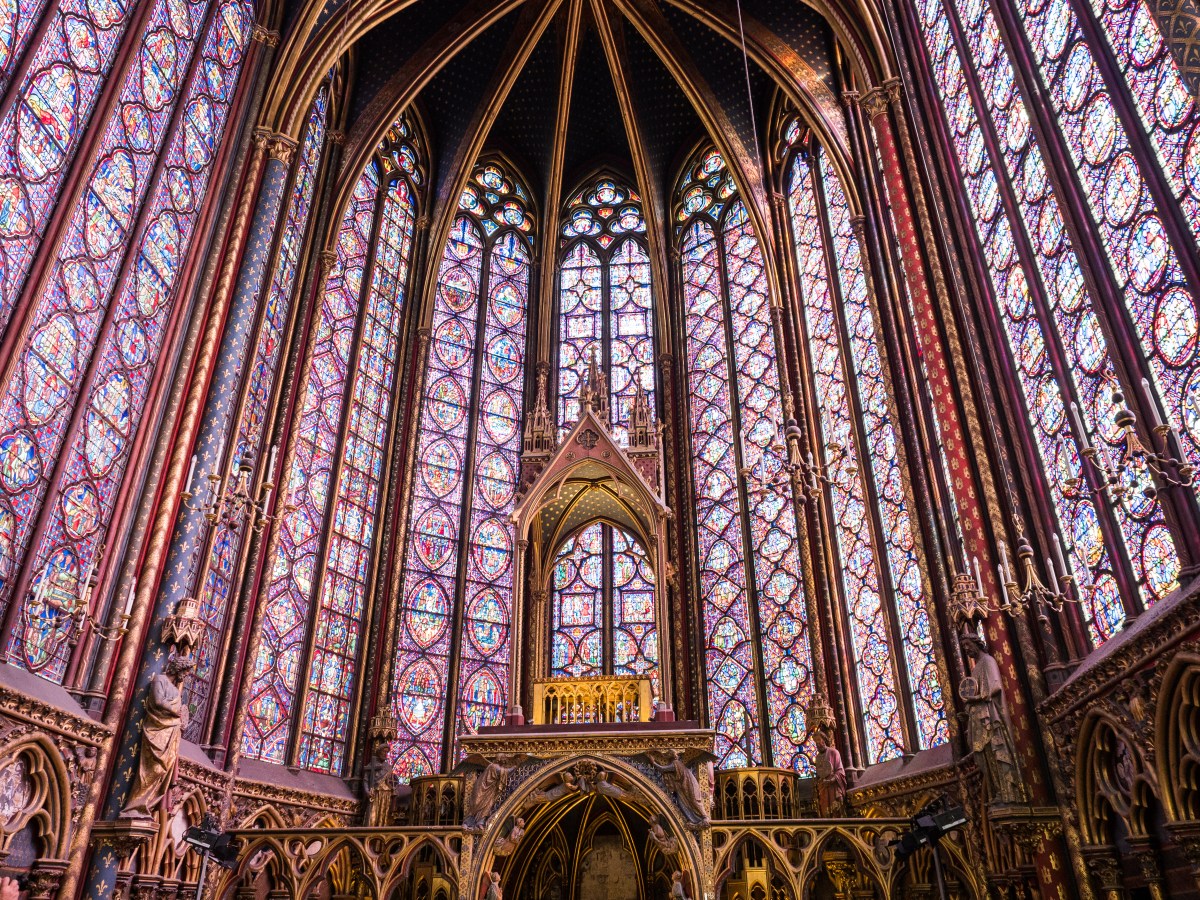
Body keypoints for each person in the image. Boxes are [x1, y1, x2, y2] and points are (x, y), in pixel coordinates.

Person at [121, 654, 194, 818]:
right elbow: (158, 701)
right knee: (152, 768)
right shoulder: (159, 679)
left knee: (162, 771)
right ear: (179, 668)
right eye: (186, 671)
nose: (187, 675)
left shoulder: (175, 690)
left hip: (170, 733)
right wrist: (177, 712)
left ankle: (145, 805)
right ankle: (134, 806)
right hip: (156, 729)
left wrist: (181, 720)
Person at [959, 633, 1022, 804]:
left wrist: (976, 699)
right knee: (983, 758)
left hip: (990, 714)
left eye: (967, 645)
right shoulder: (976, 667)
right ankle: (997, 792)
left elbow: (994, 687)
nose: (966, 649)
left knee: (996, 751)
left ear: (976, 643)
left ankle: (1008, 793)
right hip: (979, 717)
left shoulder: (987, 661)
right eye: (963, 647)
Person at [813, 727, 846, 817]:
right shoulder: (818, 757)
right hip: (823, 788)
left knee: (836, 812)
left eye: (819, 740)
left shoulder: (834, 752)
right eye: (816, 742)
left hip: (834, 787)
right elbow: (820, 773)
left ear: (824, 740)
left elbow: (840, 771)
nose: (818, 744)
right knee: (825, 814)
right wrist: (817, 781)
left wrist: (831, 780)